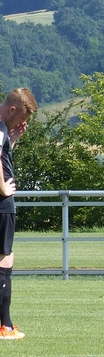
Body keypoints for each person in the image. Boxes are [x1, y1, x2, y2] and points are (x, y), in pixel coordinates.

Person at [0, 88, 38, 340]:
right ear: (12, 109)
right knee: (5, 260)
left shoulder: (4, 129)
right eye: (22, 117)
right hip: (2, 204)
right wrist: (3, 188)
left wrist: (12, 140)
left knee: (5, 258)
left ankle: (6, 324)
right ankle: (4, 326)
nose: (22, 123)